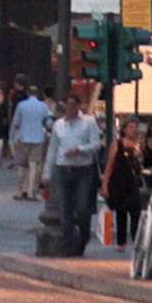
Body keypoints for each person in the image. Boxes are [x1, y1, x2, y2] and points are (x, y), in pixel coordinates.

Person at [46, 92, 104, 253]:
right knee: (64, 208)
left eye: (73, 105)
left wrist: (80, 150)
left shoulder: (89, 122)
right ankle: (68, 243)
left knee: (83, 207)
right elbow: (53, 149)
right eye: (67, 105)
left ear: (78, 106)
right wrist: (47, 174)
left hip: (83, 169)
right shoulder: (58, 124)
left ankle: (83, 236)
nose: (70, 108)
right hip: (63, 167)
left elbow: (96, 144)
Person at [7, 83, 52, 195]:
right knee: (33, 165)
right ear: (37, 94)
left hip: (23, 137)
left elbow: (16, 122)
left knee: (22, 166)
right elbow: (48, 122)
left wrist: (12, 137)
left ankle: (19, 190)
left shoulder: (21, 105)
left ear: (28, 93)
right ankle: (31, 191)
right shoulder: (43, 106)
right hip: (38, 138)